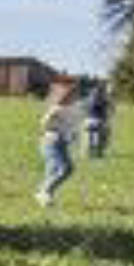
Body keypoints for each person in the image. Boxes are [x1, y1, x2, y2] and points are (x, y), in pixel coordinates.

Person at [35, 79, 81, 207]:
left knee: (52, 171)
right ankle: (45, 191)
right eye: (74, 93)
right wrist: (54, 129)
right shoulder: (57, 109)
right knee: (66, 169)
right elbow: (44, 123)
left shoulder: (72, 108)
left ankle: (44, 195)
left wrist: (72, 135)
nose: (77, 96)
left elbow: (71, 126)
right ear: (66, 95)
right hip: (51, 143)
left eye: (77, 93)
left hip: (62, 143)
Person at [85, 81, 113, 158]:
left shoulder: (90, 98)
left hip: (89, 119)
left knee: (91, 137)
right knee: (99, 137)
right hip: (97, 120)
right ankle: (97, 153)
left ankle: (91, 153)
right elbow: (108, 107)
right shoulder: (101, 98)